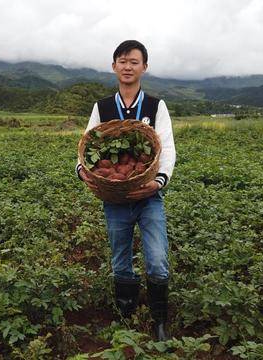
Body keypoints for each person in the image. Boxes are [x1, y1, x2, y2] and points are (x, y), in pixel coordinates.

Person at [75, 40, 176, 341]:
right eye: (122, 61)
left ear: (144, 67)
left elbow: (167, 148)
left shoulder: (155, 106)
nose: (127, 66)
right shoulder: (102, 107)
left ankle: (160, 321)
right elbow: (85, 146)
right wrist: (83, 173)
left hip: (149, 197)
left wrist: (157, 182)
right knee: (120, 261)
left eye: (134, 61)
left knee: (157, 261)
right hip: (114, 199)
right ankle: (126, 316)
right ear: (114, 66)